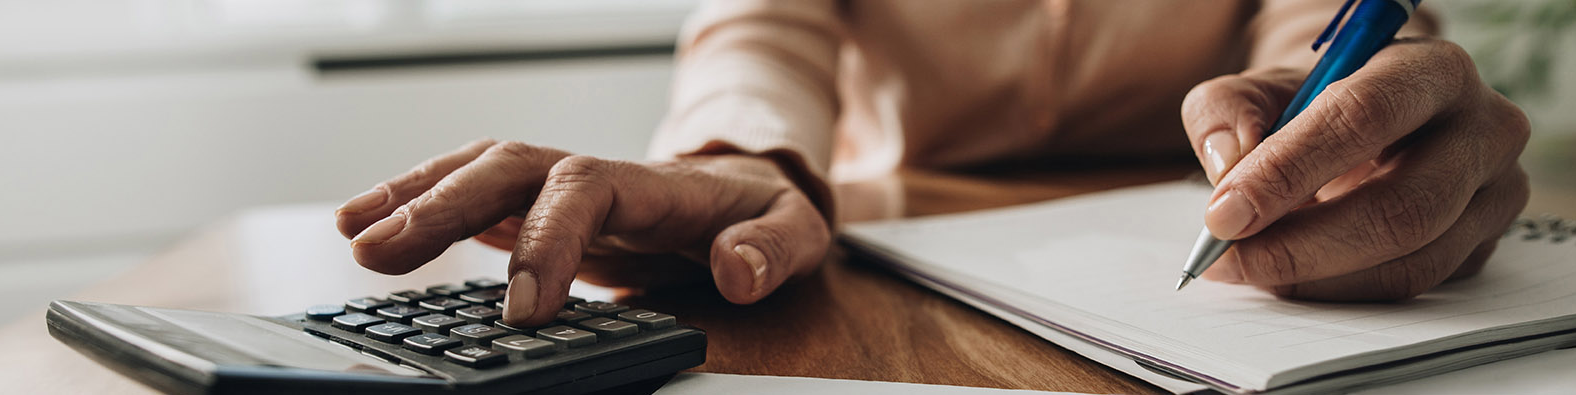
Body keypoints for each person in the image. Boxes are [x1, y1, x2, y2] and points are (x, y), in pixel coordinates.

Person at [333, 1, 1530, 327]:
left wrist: (1388, 114)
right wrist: (740, 157)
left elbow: (1312, 47)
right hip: (896, 267)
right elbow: (758, 31)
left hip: (1206, 255)